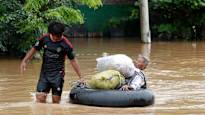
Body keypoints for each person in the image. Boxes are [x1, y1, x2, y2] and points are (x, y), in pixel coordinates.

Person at [20, 22, 84, 103]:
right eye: (55, 37)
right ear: (50, 33)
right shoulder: (44, 39)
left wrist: (81, 77)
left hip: (58, 76)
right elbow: (34, 49)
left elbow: (73, 60)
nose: (58, 38)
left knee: (55, 103)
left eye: (60, 36)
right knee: (40, 100)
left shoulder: (66, 44)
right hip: (44, 74)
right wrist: (25, 61)